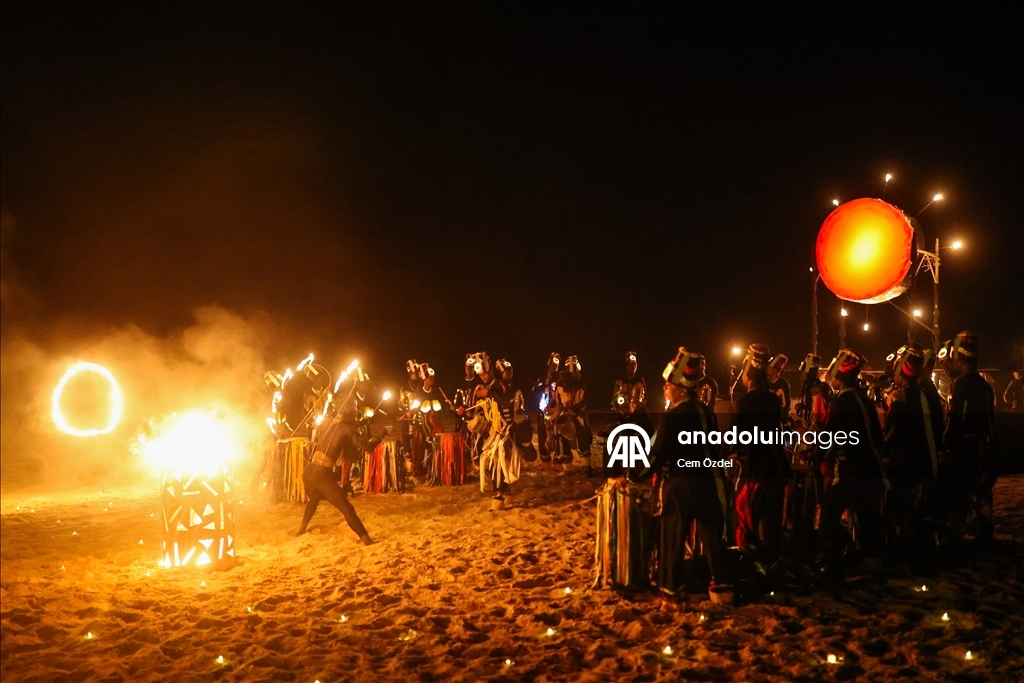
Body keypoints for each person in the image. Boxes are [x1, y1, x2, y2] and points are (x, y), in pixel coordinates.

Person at [630, 348, 732, 605]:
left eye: (670, 384)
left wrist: (634, 475)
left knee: (672, 538)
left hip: (680, 485)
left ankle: (672, 588)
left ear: (683, 389)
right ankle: (722, 587)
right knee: (712, 539)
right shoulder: (705, 412)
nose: (665, 388)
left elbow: (656, 454)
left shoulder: (674, 417)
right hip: (708, 482)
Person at [816, 350, 888, 581]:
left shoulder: (841, 402)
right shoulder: (864, 400)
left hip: (847, 469)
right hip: (870, 469)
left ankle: (842, 558)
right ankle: (871, 564)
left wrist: (816, 457)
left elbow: (830, 437)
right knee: (868, 518)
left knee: (828, 519)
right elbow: (877, 438)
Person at [297, 369, 376, 544]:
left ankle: (301, 529)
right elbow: (368, 447)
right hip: (321, 474)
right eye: (354, 409)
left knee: (315, 497)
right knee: (347, 508)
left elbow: (339, 427)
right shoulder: (347, 429)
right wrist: (383, 433)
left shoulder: (326, 421)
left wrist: (362, 422)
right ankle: (367, 540)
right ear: (348, 409)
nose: (355, 412)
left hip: (308, 471)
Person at [729, 344, 790, 560]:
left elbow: (736, 438)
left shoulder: (745, 402)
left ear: (749, 372)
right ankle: (773, 564)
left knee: (746, 525)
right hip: (774, 468)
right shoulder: (773, 400)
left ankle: (749, 565)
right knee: (772, 525)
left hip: (752, 471)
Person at [883, 344, 943, 551]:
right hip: (926, 459)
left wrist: (880, 448)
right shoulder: (926, 394)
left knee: (898, 504)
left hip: (906, 461)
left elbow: (891, 432)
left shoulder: (901, 397)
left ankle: (904, 544)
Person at [939, 331, 997, 545]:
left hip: (964, 451)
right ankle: (985, 532)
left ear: (961, 360)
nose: (948, 366)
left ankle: (955, 538)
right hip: (984, 449)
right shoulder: (984, 385)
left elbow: (956, 421)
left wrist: (945, 445)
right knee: (981, 493)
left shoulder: (961, 385)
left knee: (957, 493)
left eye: (951, 360)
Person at [612, 351, 654, 434]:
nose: (633, 367)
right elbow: (615, 397)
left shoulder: (639, 379)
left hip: (638, 411)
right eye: (631, 364)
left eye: (635, 364)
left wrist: (639, 406)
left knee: (650, 428)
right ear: (626, 366)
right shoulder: (621, 380)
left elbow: (645, 395)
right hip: (624, 410)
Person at [534, 352, 562, 464]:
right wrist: (545, 385)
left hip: (557, 411)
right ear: (548, 364)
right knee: (543, 435)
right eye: (552, 365)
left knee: (557, 435)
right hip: (543, 411)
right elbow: (535, 392)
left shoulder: (560, 378)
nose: (554, 367)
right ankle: (545, 459)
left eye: (556, 365)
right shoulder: (541, 378)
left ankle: (558, 459)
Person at [767, 353, 792, 425]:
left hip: (780, 421)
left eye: (769, 367)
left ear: (775, 370)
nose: (767, 369)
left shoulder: (784, 384)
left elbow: (786, 404)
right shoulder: (766, 383)